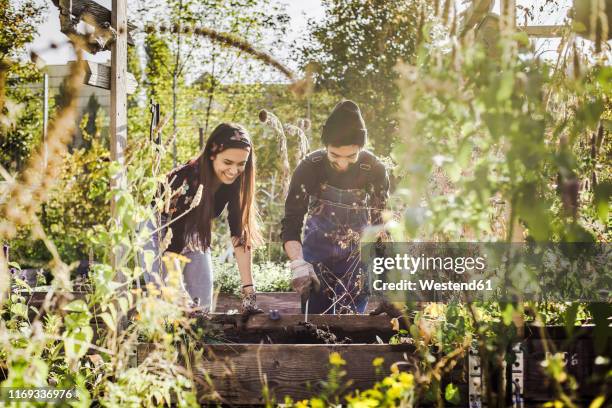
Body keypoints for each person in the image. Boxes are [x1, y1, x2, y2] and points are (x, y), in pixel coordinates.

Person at [141, 123, 263, 315]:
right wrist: (179, 294)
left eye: (241, 164)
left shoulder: (237, 180)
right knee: (170, 302)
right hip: (159, 230)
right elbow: (172, 244)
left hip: (195, 230)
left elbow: (239, 236)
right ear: (212, 154)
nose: (234, 171)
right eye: (228, 163)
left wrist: (249, 294)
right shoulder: (187, 179)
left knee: (202, 306)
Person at [281, 100, 390, 314]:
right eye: (334, 155)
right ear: (325, 146)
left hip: (356, 262)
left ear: (361, 147)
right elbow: (291, 223)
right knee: (315, 327)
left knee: (350, 328)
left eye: (351, 156)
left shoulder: (374, 169)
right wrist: (298, 263)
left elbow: (381, 228)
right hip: (316, 261)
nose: (342, 164)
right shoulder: (309, 167)